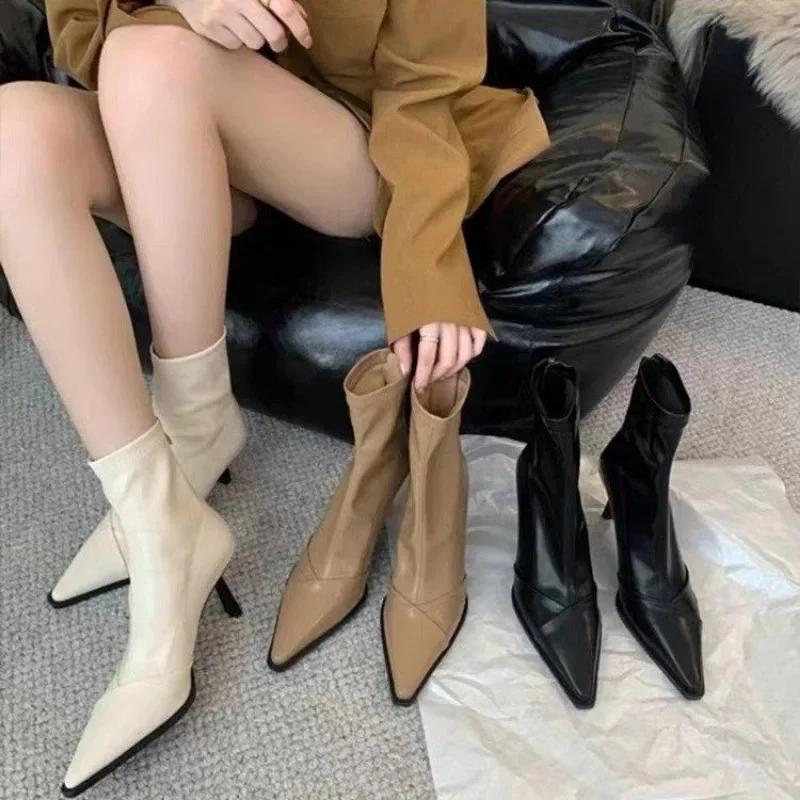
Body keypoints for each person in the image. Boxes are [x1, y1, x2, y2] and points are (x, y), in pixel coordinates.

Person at [0, 0, 550, 794]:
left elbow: (425, 85)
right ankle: (156, 517)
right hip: (166, 129)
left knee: (153, 61)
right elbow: (83, 23)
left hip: (344, 138)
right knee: (13, 135)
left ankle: (195, 427)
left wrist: (429, 265)